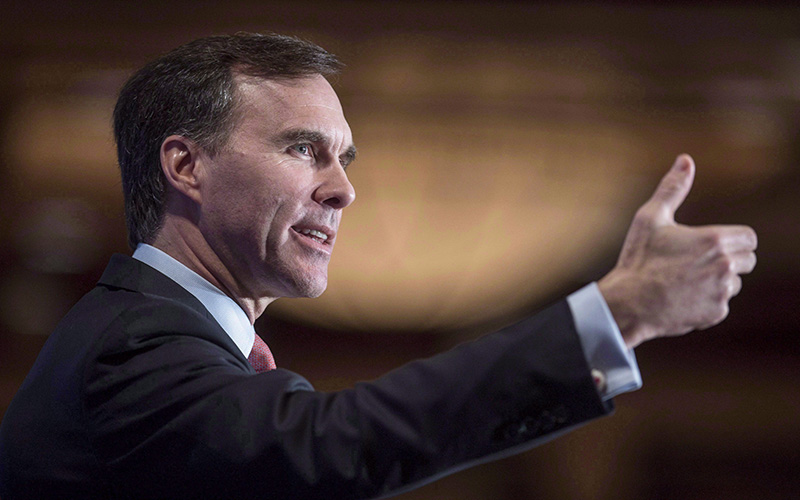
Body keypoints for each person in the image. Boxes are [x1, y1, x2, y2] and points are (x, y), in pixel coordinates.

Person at [0, 33, 757, 499]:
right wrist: (617, 313)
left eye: (344, 157)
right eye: (303, 149)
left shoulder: (153, 339)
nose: (344, 188)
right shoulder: (133, 349)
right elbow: (335, 447)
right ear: (186, 166)